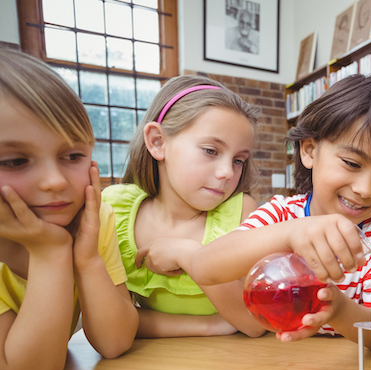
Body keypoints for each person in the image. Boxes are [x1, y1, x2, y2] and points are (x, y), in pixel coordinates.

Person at [147, 75, 371, 345]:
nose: (365, 189)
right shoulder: (281, 214)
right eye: (352, 163)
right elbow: (207, 267)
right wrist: (291, 233)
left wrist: (337, 310)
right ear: (310, 150)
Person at [0, 49, 137, 370]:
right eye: (15, 161)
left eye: (73, 156)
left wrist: (87, 259)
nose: (55, 181)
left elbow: (115, 342)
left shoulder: (93, 219)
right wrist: (50, 253)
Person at [104, 75, 265, 338]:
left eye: (238, 160)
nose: (227, 172)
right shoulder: (114, 210)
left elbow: (254, 322)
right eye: (211, 151)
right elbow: (113, 323)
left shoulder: (242, 212)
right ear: (157, 142)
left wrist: (190, 256)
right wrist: (212, 325)